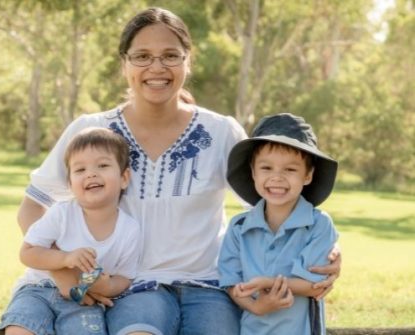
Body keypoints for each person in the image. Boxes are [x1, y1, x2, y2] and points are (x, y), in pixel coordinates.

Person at [17, 7, 341, 335]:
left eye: (170, 55)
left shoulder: (221, 131)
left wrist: (326, 251)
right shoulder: (91, 130)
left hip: (210, 288)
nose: (156, 67)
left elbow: (272, 210)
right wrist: (65, 272)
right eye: (142, 56)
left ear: (188, 61)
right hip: (134, 289)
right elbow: (34, 205)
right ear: (124, 63)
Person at [0, 127, 141, 335]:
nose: (91, 173)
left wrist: (106, 286)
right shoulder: (61, 214)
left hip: (83, 300)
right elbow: (27, 253)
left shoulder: (129, 230)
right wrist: (65, 258)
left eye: (102, 165)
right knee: (20, 329)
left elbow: (125, 277)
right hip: (38, 290)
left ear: (124, 178)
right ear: (70, 184)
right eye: (80, 170)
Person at [219, 113, 339, 335]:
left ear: (308, 175)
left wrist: (268, 282)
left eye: (290, 170)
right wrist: (255, 306)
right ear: (253, 171)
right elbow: (230, 283)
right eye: (266, 168)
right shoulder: (238, 228)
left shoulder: (318, 224)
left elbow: (315, 285)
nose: (277, 177)